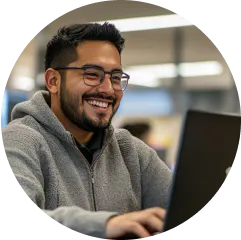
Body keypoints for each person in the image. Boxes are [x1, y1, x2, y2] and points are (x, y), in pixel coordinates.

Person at [0, 23, 172, 239]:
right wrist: (105, 225)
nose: (108, 89)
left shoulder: (131, 152)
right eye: (92, 74)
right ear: (53, 81)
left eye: (116, 78)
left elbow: (181, 208)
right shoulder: (17, 142)